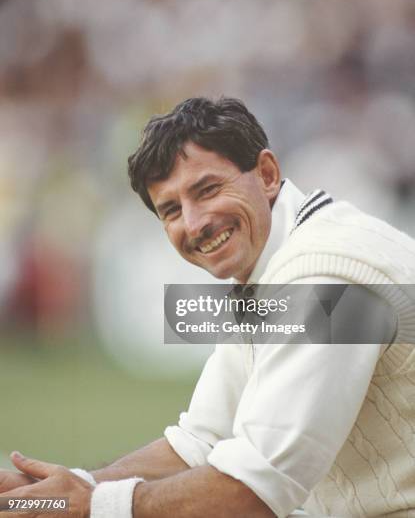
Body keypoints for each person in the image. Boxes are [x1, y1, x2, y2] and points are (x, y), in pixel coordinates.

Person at [0, 97, 414, 518]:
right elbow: (199, 443)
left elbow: (255, 490)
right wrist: (58, 491)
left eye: (208, 190)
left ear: (267, 174)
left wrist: (93, 505)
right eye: (172, 210)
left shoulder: (322, 275)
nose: (195, 223)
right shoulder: (275, 265)